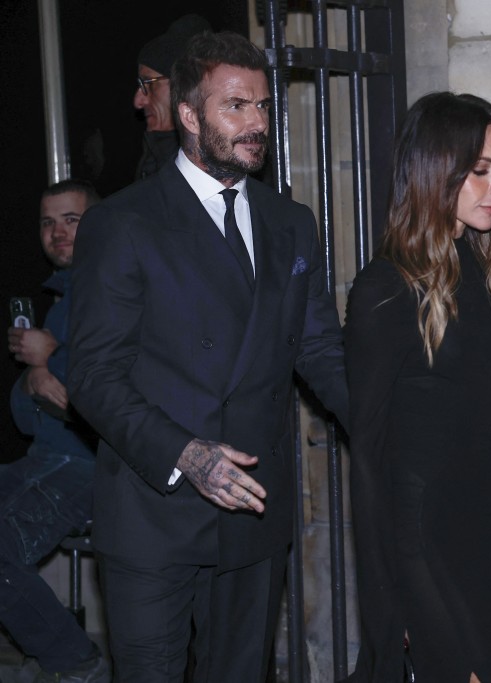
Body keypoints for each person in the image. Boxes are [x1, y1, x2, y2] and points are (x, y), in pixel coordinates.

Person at [67, 31, 349, 682]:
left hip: (252, 513)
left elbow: (319, 350)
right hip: (152, 514)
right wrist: (186, 454)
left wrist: (392, 422)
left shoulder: (291, 222)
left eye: (261, 106)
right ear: (189, 117)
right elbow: (92, 375)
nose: (256, 124)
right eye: (235, 107)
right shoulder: (124, 222)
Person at [344, 92, 491, 682]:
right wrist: (388, 602)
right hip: (426, 546)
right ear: (435, 173)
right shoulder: (385, 290)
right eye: (481, 171)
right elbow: (368, 461)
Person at [2, 180, 107, 683]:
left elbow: (105, 404)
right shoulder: (61, 298)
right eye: (48, 222)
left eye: (72, 219)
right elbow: (28, 418)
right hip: (45, 460)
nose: (58, 232)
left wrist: (51, 361)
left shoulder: (110, 291)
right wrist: (33, 374)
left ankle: (76, 663)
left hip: (93, 468)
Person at [133, 14, 210, 179]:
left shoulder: (218, 161)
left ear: (183, 85)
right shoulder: (155, 155)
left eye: (149, 83)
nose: (138, 102)